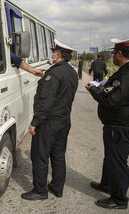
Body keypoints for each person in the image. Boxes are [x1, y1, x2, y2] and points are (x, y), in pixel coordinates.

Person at [85, 37, 129, 209]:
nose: (112, 56)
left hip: (120, 125)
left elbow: (112, 101)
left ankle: (119, 199)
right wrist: (102, 88)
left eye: (113, 53)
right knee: (111, 158)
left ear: (119, 53)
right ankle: (106, 184)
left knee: (118, 162)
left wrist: (93, 90)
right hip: (122, 123)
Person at [21, 39, 78, 200]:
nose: (51, 55)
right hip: (64, 121)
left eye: (53, 53)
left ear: (58, 55)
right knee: (58, 156)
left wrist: (35, 122)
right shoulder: (71, 72)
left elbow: (45, 101)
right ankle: (57, 188)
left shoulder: (54, 73)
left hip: (49, 123)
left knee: (40, 156)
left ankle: (40, 191)